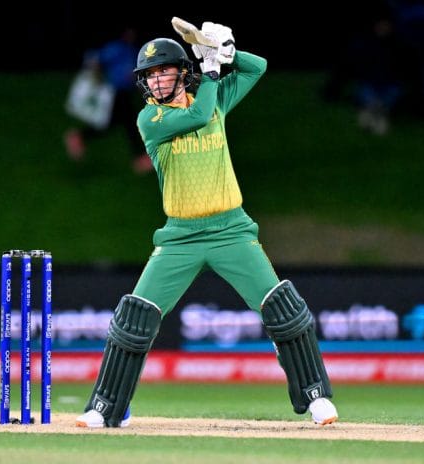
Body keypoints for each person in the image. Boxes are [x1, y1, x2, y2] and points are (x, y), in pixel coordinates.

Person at [75, 22, 339, 428]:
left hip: (231, 231)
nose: (156, 81)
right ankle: (107, 406)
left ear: (183, 72)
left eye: (164, 71)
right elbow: (199, 115)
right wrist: (212, 70)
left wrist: (226, 52)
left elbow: (258, 68)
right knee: (134, 319)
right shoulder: (151, 119)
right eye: (150, 75)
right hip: (180, 237)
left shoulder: (214, 98)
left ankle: (315, 396)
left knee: (283, 309)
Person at [64, 27, 152, 174]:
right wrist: (99, 79)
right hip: (114, 93)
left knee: (112, 123)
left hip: (124, 92)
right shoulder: (115, 48)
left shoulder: (133, 50)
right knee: (131, 123)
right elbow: (96, 61)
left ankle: (79, 136)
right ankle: (140, 158)